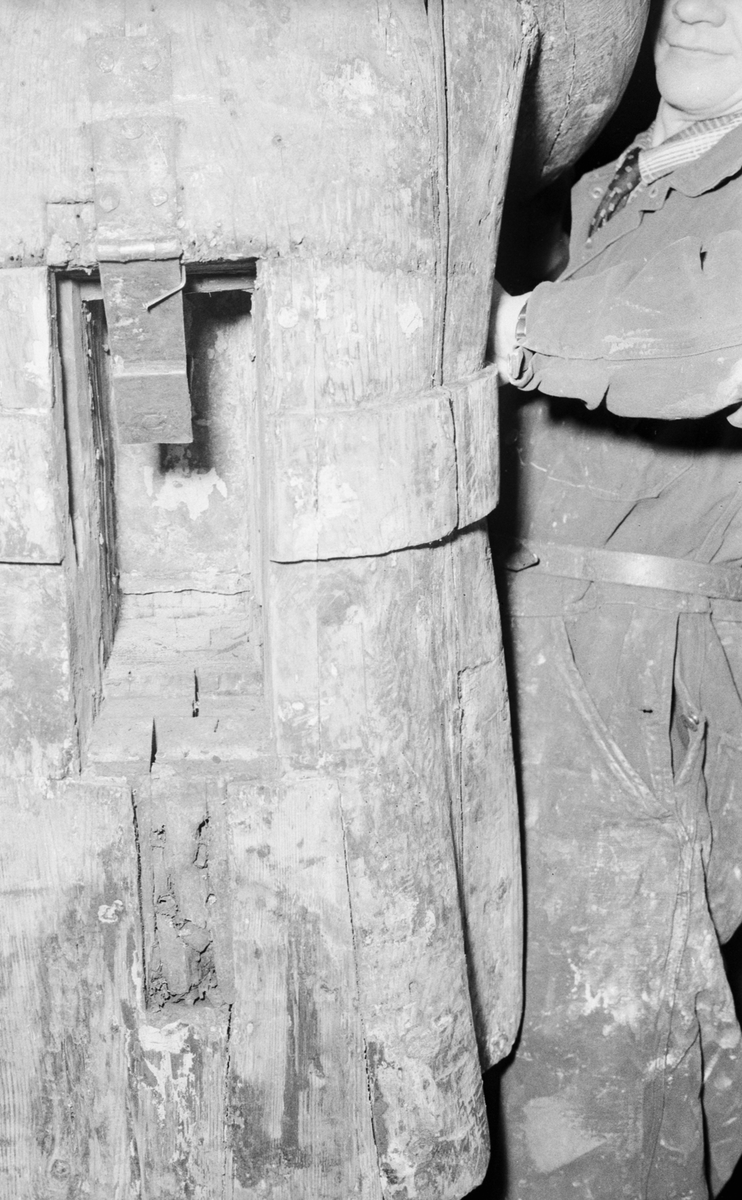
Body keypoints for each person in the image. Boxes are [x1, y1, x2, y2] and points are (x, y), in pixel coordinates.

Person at [489, 0, 742, 1195]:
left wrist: (506, 326)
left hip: (630, 678)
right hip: (516, 653)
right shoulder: (600, 190)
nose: (698, 1)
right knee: (505, 1061)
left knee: (602, 1076)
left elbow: (714, 330)